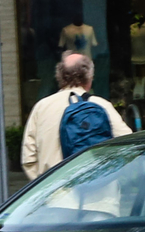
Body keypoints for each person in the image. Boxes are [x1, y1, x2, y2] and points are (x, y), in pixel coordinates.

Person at [21, 50, 131, 178]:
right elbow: (127, 144)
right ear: (89, 77)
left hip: (56, 193)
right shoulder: (101, 105)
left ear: (59, 77)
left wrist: (45, 187)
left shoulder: (41, 107)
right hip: (99, 191)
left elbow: (28, 159)